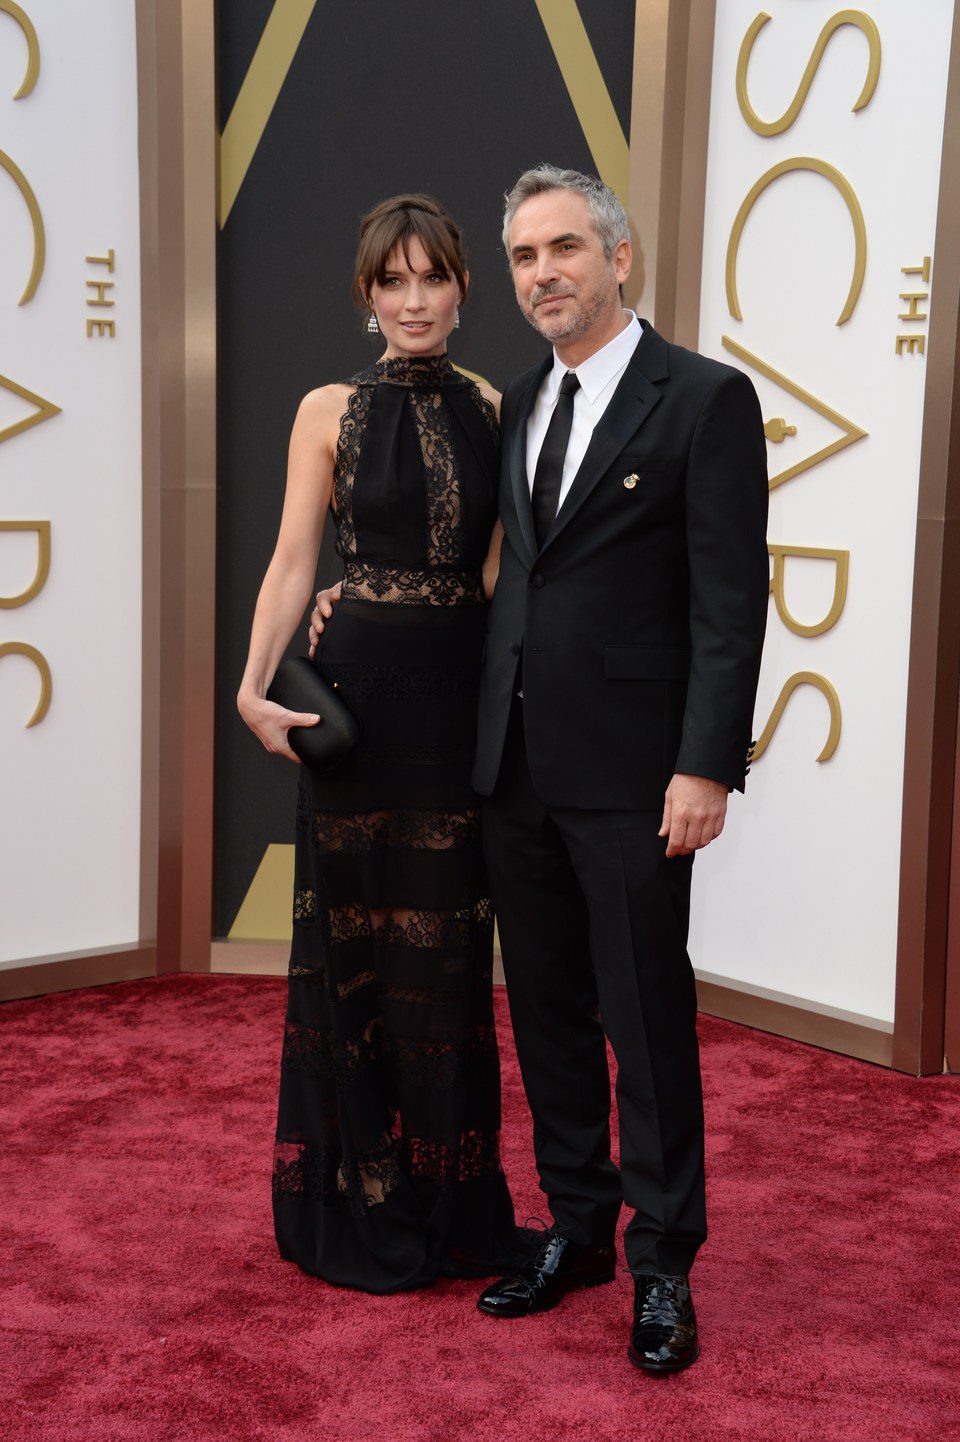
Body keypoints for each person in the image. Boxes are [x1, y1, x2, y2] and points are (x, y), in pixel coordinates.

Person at [310, 165, 768, 1369]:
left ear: (621, 258)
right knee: (551, 1016)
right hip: (508, 766)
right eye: (523, 256)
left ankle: (664, 1263)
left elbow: (730, 603)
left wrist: (707, 762)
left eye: (564, 247)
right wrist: (336, 603)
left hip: (633, 774)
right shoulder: (515, 401)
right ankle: (578, 1227)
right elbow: (495, 573)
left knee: (645, 1020)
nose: (543, 273)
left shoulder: (704, 401)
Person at [237, 193, 527, 1294]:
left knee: (447, 962)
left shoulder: (499, 404)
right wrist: (253, 687)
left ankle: (449, 1199)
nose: (415, 299)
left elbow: (503, 574)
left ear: (463, 286)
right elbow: (289, 562)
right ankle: (358, 1195)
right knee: (352, 951)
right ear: (368, 295)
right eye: (393, 281)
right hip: (355, 707)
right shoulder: (324, 409)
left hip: (455, 709)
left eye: (434, 277)